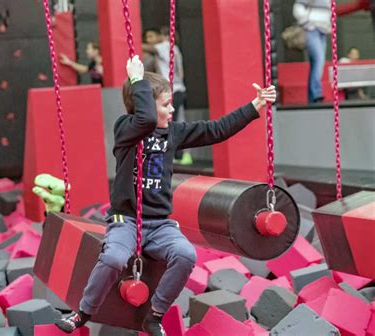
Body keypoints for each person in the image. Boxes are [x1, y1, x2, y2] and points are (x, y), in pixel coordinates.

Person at [55, 55, 276, 336]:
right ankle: (82, 313)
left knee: (185, 254)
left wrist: (255, 105)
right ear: (143, 103)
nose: (172, 109)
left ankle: (155, 314)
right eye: (165, 104)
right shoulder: (126, 129)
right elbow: (145, 119)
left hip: (159, 224)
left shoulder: (173, 133)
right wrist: (136, 79)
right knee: (113, 259)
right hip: (126, 221)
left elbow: (218, 130)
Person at [143, 27, 192, 165]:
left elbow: (148, 48)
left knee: (169, 123)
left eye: (154, 37)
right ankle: (180, 154)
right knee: (176, 120)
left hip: (173, 90)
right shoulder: (175, 49)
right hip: (178, 88)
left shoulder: (166, 46)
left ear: (162, 36)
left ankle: (176, 154)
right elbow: (180, 72)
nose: (151, 40)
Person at [293, 0, 331, 104]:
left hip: (323, 30)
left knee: (316, 63)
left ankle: (312, 97)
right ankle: (316, 94)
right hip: (312, 29)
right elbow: (298, 7)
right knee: (319, 60)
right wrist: (306, 23)